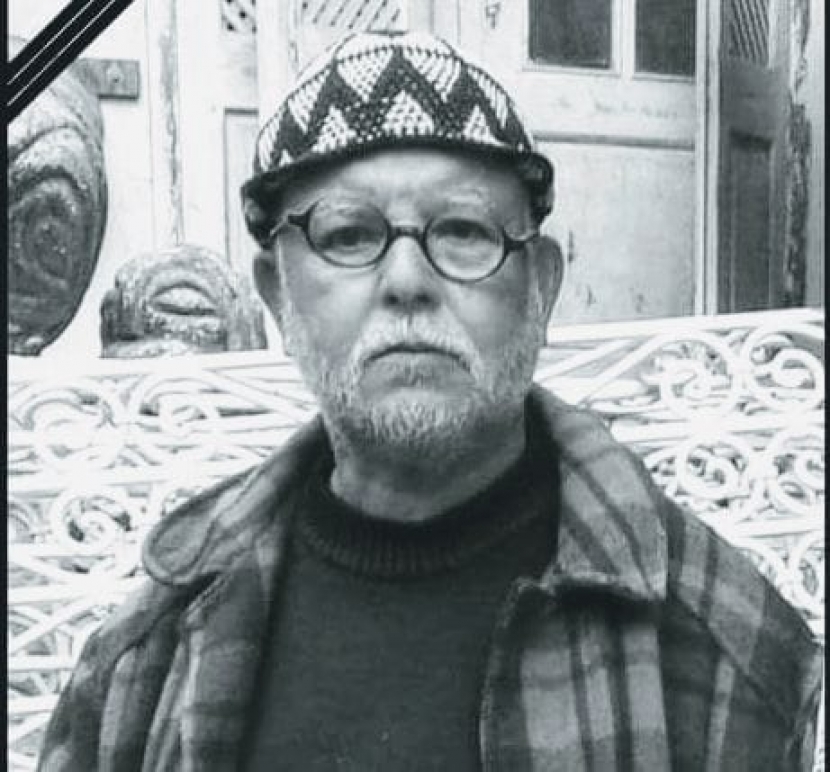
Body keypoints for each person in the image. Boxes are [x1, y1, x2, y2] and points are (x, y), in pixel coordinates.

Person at [38, 31, 821, 772]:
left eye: (463, 231)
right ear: (277, 293)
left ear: (541, 286)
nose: (408, 281)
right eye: (348, 235)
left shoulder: (721, 647)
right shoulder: (151, 654)